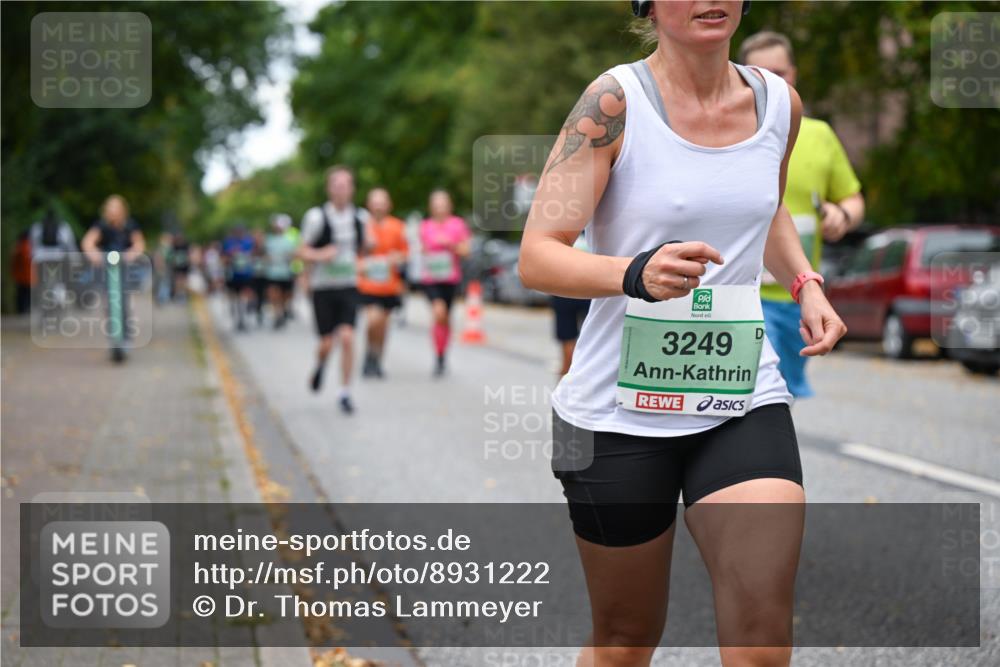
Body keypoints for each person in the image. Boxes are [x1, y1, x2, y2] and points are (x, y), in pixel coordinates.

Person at [518, 2, 847, 665]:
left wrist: (806, 281)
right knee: (626, 639)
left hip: (738, 394)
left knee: (761, 634)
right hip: (616, 413)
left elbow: (766, 206)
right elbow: (537, 254)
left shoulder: (779, 104)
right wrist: (633, 272)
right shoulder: (613, 102)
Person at [740, 31, 865, 398]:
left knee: (780, 395)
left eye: (780, 72)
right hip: (743, 289)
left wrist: (842, 214)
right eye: (762, 72)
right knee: (755, 392)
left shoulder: (818, 134)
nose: (774, 81)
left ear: (793, 74)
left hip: (796, 296)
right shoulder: (728, 130)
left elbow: (853, 198)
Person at [297, 165, 371, 414]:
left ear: (352, 189)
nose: (341, 190)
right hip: (323, 288)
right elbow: (301, 250)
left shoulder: (361, 217)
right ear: (329, 189)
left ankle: (345, 392)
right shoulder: (316, 217)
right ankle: (320, 365)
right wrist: (320, 255)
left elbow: (366, 248)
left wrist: (368, 253)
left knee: (348, 338)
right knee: (327, 343)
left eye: (346, 185)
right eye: (336, 185)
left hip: (349, 285)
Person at [81, 195, 146, 362]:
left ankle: (125, 337)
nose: (113, 212)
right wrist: (94, 255)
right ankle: (114, 339)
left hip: (124, 268)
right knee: (109, 303)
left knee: (123, 302)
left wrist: (132, 254)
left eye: (116, 209)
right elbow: (88, 242)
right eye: (110, 209)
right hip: (107, 268)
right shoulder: (101, 225)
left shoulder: (130, 225)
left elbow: (139, 243)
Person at [357, 188, 409, 378]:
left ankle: (377, 359)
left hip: (389, 285)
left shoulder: (398, 226)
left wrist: (398, 257)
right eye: (375, 201)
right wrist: (360, 264)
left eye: (382, 201)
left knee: (383, 325)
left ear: (389, 205)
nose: (378, 205)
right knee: (373, 320)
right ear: (368, 204)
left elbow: (406, 253)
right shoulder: (361, 226)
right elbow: (353, 253)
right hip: (367, 284)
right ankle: (369, 354)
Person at [419, 189, 471, 377]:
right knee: (438, 312)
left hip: (450, 279)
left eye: (443, 204)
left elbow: (466, 250)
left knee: (445, 318)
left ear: (449, 206)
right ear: (431, 207)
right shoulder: (425, 225)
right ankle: (438, 353)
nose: (440, 208)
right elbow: (422, 249)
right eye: (436, 204)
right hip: (431, 279)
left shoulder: (457, 224)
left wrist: (450, 244)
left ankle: (441, 355)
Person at [550, 233, 592, 376]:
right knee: (590, 337)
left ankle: (567, 373)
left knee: (567, 338)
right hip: (590, 290)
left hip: (563, 291)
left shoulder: (560, 238)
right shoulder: (592, 237)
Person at [264, 213, 297, 329]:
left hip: (285, 272)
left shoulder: (288, 241)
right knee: (273, 295)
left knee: (285, 295)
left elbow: (293, 256)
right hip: (273, 272)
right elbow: (266, 256)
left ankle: (282, 311)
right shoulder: (269, 240)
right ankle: (277, 315)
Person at [221, 225, 256, 331]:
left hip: (245, 274)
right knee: (234, 295)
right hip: (232, 274)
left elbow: (254, 255)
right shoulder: (228, 242)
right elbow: (223, 257)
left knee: (244, 295)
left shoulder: (248, 242)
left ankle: (242, 316)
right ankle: (236, 314)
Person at [10, 230, 33, 315]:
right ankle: (24, 311)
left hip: (20, 277)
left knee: (22, 295)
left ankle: (22, 311)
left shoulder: (18, 247)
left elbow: (13, 263)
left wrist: (13, 274)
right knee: (26, 295)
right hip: (28, 277)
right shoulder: (29, 247)